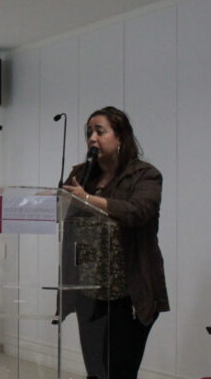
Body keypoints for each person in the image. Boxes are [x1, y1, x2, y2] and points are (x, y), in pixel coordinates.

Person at [60, 106, 169, 379]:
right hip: (89, 287)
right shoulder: (81, 174)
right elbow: (64, 213)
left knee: (119, 370)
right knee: (96, 371)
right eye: (89, 132)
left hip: (129, 290)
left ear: (120, 137)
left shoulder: (145, 175)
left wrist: (88, 199)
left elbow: (138, 211)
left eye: (100, 131)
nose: (92, 138)